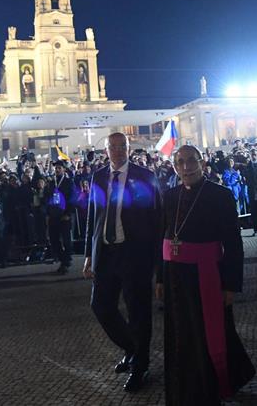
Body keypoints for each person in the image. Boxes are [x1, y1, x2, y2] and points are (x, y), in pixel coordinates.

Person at [156, 145, 254, 404]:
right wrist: (159, 278)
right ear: (175, 166)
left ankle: (214, 381)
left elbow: (233, 243)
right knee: (181, 332)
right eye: (180, 162)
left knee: (211, 333)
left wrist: (231, 284)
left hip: (207, 276)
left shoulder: (219, 195)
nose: (186, 167)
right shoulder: (169, 196)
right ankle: (184, 380)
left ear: (201, 163)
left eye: (191, 161)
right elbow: (162, 237)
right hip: (175, 277)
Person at [83, 132, 163, 393]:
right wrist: (88, 255)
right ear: (105, 150)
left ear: (129, 148)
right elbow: (92, 218)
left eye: (122, 147)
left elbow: (157, 221)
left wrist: (157, 265)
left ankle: (141, 365)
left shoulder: (144, 176)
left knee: (138, 312)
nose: (117, 151)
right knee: (101, 306)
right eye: (113, 147)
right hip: (105, 254)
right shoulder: (98, 176)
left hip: (134, 254)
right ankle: (131, 347)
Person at [48, 161, 75, 274]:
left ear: (64, 169)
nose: (57, 170)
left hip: (64, 215)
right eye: (56, 168)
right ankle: (63, 258)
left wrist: (68, 214)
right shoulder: (51, 183)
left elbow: (73, 199)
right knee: (54, 240)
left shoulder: (69, 182)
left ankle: (66, 260)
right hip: (53, 216)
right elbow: (48, 198)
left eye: (59, 168)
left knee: (66, 239)